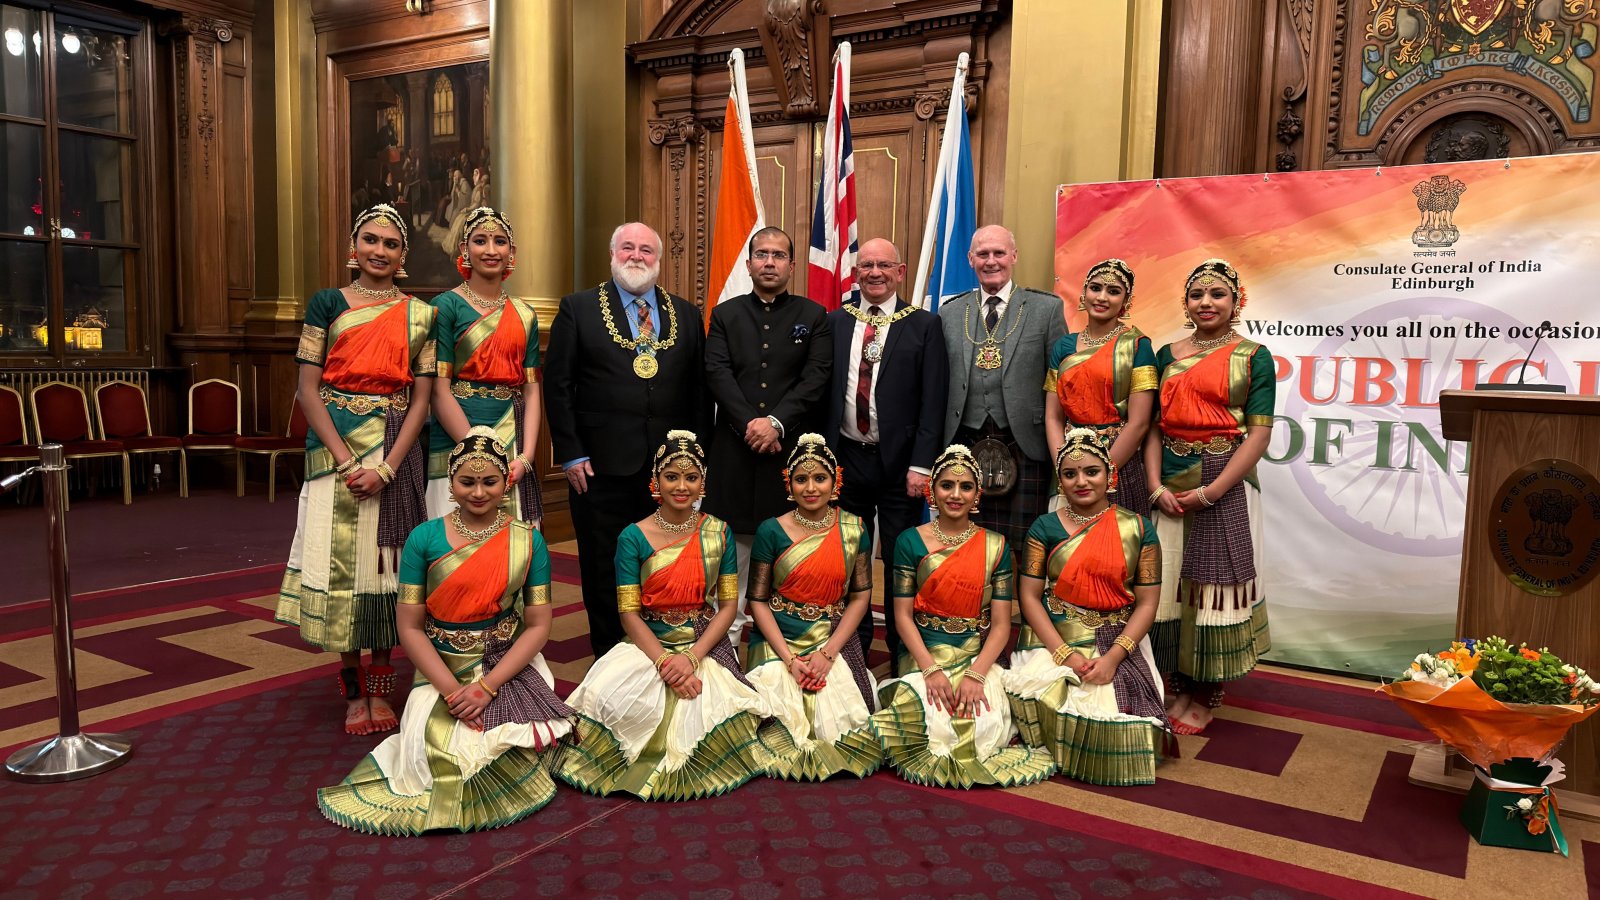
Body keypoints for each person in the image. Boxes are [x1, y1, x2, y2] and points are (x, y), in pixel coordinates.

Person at [317, 428, 573, 834]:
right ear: (450, 482)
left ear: (506, 481)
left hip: (505, 663)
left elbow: (539, 626)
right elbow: (409, 627)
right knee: (430, 756)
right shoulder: (424, 537)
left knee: (502, 742)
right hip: (442, 666)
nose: (478, 492)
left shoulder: (528, 540)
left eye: (489, 481)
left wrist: (486, 688)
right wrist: (454, 692)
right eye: (466, 481)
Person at [276, 203, 435, 736]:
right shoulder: (326, 304)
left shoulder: (422, 314)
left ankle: (383, 684)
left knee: (389, 571)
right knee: (342, 572)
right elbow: (307, 389)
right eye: (371, 240)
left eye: (391, 244)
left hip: (396, 450)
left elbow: (422, 400)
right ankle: (352, 689)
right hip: (333, 452)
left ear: (403, 256)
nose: (380, 251)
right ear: (354, 247)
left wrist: (387, 469)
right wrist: (347, 463)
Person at [558, 431, 769, 800]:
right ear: (656, 481)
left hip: (701, 644)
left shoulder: (718, 532)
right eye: (672, 476)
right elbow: (628, 614)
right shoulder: (633, 536)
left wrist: (690, 658)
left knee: (717, 719)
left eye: (691, 477)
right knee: (613, 709)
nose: (681, 486)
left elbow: (728, 608)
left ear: (704, 481)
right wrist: (664, 663)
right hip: (646, 646)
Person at [544, 222, 708, 658]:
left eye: (646, 250)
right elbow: (558, 387)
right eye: (628, 248)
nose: (637, 256)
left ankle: (661, 648)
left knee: (664, 560)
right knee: (602, 563)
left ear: (658, 260)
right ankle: (609, 658)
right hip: (599, 465)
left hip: (670, 469)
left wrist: (695, 462)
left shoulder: (687, 315)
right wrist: (572, 453)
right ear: (613, 254)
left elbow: (699, 393)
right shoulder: (578, 309)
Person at [869, 444, 1056, 788]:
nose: (956, 495)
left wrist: (977, 674)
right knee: (927, 722)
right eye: (947, 485)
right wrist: (930, 669)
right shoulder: (911, 541)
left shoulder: (995, 546)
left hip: (976, 654)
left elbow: (1001, 625)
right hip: (924, 653)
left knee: (982, 726)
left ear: (977, 495)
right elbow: (902, 617)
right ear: (931, 491)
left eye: (966, 486)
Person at [1144, 259, 1274, 735]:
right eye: (1198, 294)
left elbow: (1258, 437)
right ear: (1186, 302)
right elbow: (1153, 427)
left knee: (1212, 587)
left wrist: (1213, 492)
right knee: (1170, 582)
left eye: (1218, 294)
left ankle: (1206, 689)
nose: (1207, 303)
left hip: (1224, 478)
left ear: (1237, 300)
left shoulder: (1253, 356)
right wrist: (1156, 485)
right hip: (1169, 477)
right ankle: (1175, 679)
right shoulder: (1166, 354)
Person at [1005, 428, 1172, 785]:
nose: (1081, 481)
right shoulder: (1044, 527)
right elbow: (1030, 597)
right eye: (1070, 473)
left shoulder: (1138, 528)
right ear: (1060, 481)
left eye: (1091, 471)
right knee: (1044, 697)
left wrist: (1113, 658)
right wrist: (1064, 654)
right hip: (1053, 635)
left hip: (1115, 637)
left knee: (1116, 727)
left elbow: (1147, 603)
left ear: (1110, 476)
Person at [703, 226, 832, 648]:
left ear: (792, 265)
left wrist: (775, 423)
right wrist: (751, 425)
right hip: (735, 454)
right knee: (734, 561)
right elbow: (717, 374)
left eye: (779, 255)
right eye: (762, 254)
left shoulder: (813, 316)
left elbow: (815, 379)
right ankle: (728, 649)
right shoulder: (726, 314)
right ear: (749, 263)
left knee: (787, 552)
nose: (770, 262)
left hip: (789, 455)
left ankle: (782, 649)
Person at [825, 238, 947, 665]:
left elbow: (934, 399)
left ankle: (901, 653)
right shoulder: (837, 322)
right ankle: (852, 651)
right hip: (847, 459)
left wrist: (922, 465)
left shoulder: (923, 325)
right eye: (866, 266)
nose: (874, 273)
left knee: (900, 558)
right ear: (856, 273)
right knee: (849, 555)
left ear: (901, 271)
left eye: (884, 265)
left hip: (902, 466)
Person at [744, 435, 881, 780]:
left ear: (836, 481)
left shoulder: (854, 529)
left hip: (829, 639)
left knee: (842, 727)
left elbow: (860, 597)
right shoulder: (771, 531)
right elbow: (756, 601)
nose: (811, 488)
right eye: (801, 479)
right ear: (789, 483)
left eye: (819, 478)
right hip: (778, 643)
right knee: (777, 719)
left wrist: (828, 654)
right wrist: (789, 660)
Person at [939, 225, 1066, 559]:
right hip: (965, 439)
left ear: (1014, 256)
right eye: (983, 254)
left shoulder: (1046, 309)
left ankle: (1022, 613)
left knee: (1026, 551)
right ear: (970, 260)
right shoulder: (950, 313)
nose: (991, 261)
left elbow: (1062, 382)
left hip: (1026, 442)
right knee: (967, 545)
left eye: (998, 253)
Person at [425, 207, 543, 524]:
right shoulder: (444, 307)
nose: (491, 250)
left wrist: (526, 457)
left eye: (499, 241)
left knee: (512, 548)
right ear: (464, 249)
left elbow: (532, 392)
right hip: (455, 437)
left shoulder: (525, 314)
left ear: (511, 252)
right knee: (453, 545)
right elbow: (439, 392)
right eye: (480, 241)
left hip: (511, 440)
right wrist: (476, 451)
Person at [1044, 259, 1158, 519]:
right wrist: (1066, 467)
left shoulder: (1137, 347)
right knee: (1067, 549)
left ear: (1125, 301)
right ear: (1084, 293)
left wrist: (1101, 472)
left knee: (1118, 549)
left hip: (1119, 463)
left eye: (1114, 291)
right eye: (1096, 288)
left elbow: (1139, 423)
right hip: (1068, 458)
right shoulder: (1064, 346)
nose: (1102, 297)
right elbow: (1053, 416)